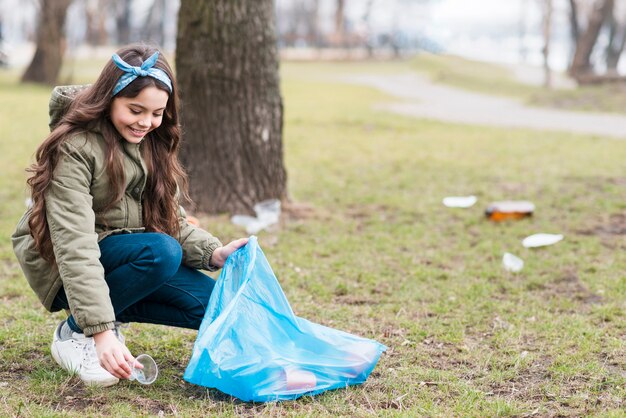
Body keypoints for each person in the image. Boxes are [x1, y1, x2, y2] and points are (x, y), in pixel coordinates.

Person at [12, 44, 248, 387]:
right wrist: (101, 332)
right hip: (64, 267)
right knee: (162, 252)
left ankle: (105, 316)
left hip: (126, 257)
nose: (146, 122)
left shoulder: (153, 141)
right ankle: (76, 333)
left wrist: (214, 252)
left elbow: (169, 219)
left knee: (215, 307)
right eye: (135, 110)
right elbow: (74, 244)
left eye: (157, 113)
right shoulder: (74, 148)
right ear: (110, 98)